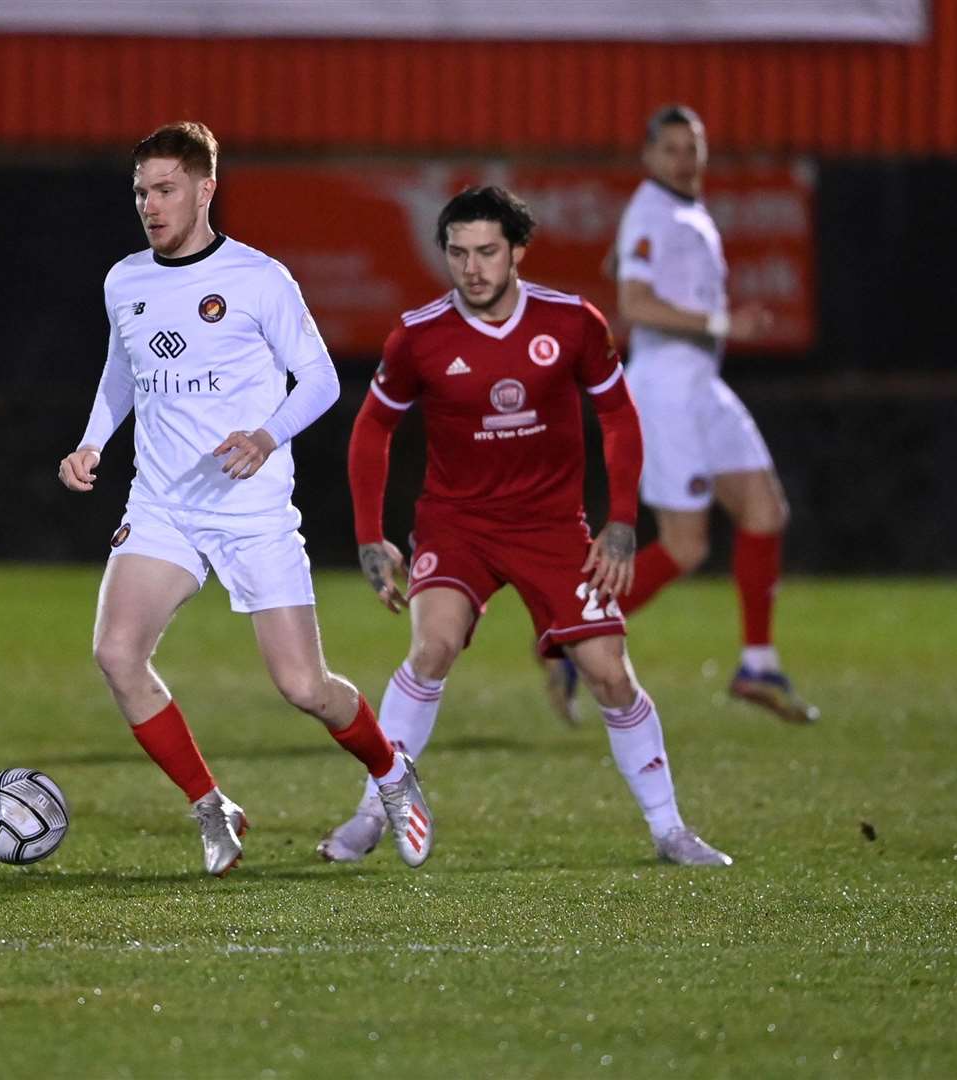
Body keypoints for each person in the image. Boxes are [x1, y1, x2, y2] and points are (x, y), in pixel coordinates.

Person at [57, 121, 433, 877]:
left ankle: (392, 774)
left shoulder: (260, 279)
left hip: (251, 510)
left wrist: (264, 437)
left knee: (303, 686)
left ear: (205, 189)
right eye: (141, 192)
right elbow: (121, 374)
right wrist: (93, 440)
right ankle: (211, 807)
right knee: (117, 653)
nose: (150, 206)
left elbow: (322, 381)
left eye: (165, 190)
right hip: (164, 504)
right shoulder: (125, 279)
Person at [321, 185, 732, 868]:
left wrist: (622, 521)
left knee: (608, 674)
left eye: (487, 252)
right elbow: (373, 428)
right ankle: (374, 811)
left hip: (551, 526)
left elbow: (621, 417)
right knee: (432, 648)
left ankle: (669, 831)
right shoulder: (419, 336)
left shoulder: (572, 323)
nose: (472, 267)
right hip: (457, 525)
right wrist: (372, 533)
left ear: (517, 251)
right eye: (458, 253)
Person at [596, 103, 819, 725]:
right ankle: (570, 632)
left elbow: (633, 272)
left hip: (699, 381)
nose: (683, 158)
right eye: (669, 148)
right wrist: (723, 322)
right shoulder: (651, 206)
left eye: (691, 146)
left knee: (764, 509)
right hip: (665, 387)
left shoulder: (678, 211)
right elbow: (635, 304)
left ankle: (757, 663)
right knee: (685, 546)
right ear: (648, 157)